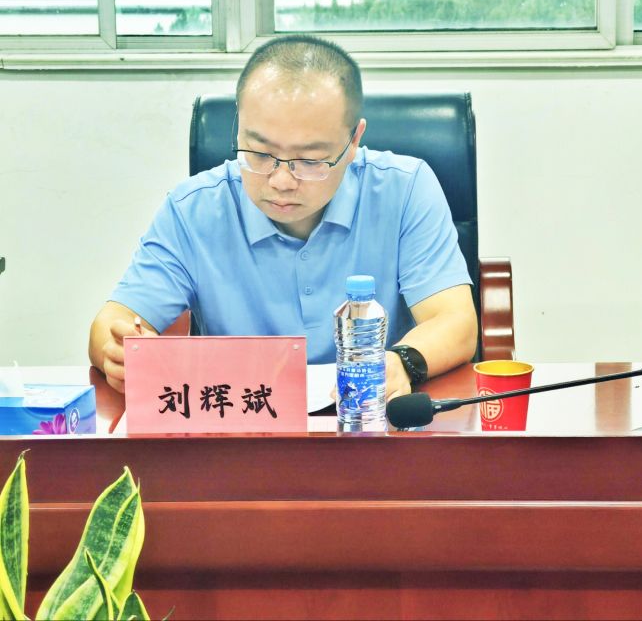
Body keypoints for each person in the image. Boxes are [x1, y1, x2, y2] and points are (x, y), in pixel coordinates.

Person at [89, 35, 477, 396]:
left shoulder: (404, 189)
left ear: (354, 141)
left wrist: (400, 363)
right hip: (241, 423)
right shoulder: (193, 209)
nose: (281, 181)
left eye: (309, 160)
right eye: (260, 154)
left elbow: (455, 322)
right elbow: (112, 322)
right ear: (238, 129)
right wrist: (117, 350)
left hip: (366, 414)